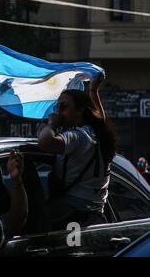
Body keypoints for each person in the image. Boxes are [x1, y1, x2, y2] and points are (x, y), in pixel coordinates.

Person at [37, 75, 117, 230]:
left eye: (64, 107)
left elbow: (45, 141)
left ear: (80, 111)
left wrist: (52, 123)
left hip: (69, 216)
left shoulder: (79, 137)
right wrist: (93, 90)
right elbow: (100, 118)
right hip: (92, 217)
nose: (59, 112)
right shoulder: (96, 133)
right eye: (57, 107)